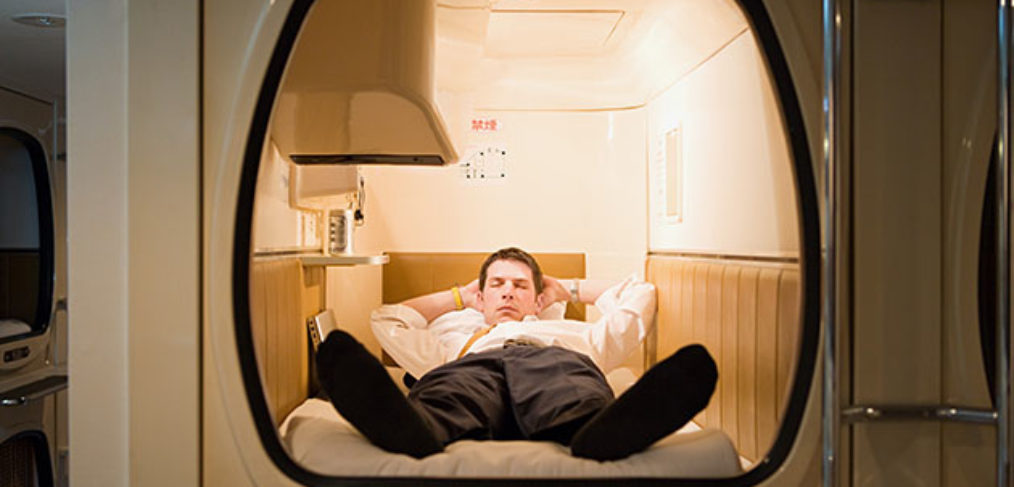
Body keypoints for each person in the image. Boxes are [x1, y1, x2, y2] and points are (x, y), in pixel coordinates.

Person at [316, 247, 717, 461]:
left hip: (555, 360)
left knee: (571, 392)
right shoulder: (452, 343)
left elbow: (640, 295)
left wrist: (569, 290)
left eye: (521, 286)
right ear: (481, 295)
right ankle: (417, 427)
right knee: (448, 393)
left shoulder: (574, 333)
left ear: (539, 299)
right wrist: (458, 296)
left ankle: (598, 431)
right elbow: (387, 320)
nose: (508, 291)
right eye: (497, 284)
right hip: (474, 364)